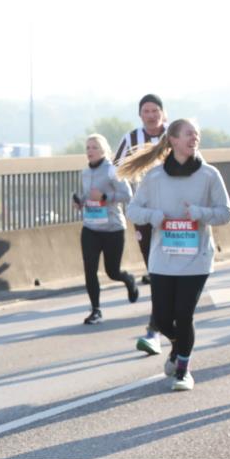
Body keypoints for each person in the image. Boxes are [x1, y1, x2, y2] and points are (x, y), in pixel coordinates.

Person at [124, 119, 230, 391]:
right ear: (172, 139)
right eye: (188, 133)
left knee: (183, 315)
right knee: (162, 319)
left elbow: (226, 214)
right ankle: (178, 344)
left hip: (196, 258)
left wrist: (201, 213)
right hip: (163, 257)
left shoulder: (209, 175)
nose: (194, 137)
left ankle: (183, 370)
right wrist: (154, 217)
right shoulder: (155, 177)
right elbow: (132, 211)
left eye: (197, 133)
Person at [115, 94, 168, 355]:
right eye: (146, 110)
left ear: (163, 113)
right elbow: (116, 168)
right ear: (140, 115)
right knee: (156, 271)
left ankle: (159, 327)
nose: (151, 114)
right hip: (145, 215)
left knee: (174, 274)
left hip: (175, 216)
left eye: (155, 110)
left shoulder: (176, 134)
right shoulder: (131, 138)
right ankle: (157, 328)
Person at [74, 133, 139, 324]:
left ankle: (128, 280)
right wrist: (81, 202)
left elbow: (127, 195)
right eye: (87, 148)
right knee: (90, 270)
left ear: (104, 151)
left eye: (94, 147)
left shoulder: (112, 170)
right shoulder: (85, 173)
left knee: (112, 272)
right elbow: (89, 196)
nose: (90, 151)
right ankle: (96, 310)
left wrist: (104, 197)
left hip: (112, 228)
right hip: (90, 227)